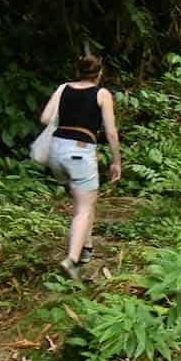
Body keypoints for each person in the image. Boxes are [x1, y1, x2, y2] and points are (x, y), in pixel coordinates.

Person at [38, 54, 123, 278]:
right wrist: (116, 161)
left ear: (78, 70)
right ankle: (72, 260)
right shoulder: (102, 93)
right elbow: (111, 132)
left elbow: (46, 119)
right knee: (84, 208)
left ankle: (86, 248)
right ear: (100, 73)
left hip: (56, 153)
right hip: (79, 151)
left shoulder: (63, 88)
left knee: (82, 201)